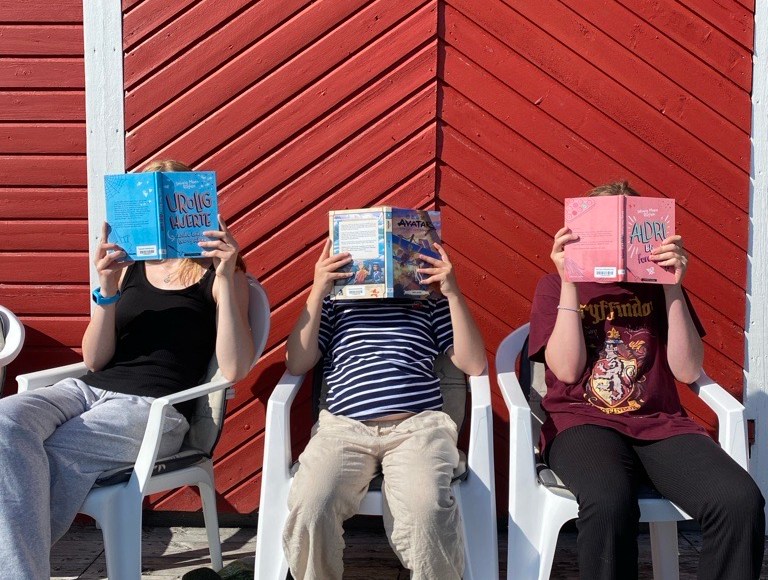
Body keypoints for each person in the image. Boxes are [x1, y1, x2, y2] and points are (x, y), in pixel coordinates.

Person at [0, 159, 255, 580]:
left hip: (152, 408)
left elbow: (235, 366)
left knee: (54, 453)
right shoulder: (130, 268)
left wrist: (226, 278)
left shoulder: (217, 274)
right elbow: (95, 360)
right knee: (5, 421)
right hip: (87, 390)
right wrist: (107, 288)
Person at [529, 181, 765, 580]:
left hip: (659, 424)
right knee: (608, 501)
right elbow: (567, 371)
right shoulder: (554, 286)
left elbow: (687, 371)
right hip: (582, 422)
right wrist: (570, 280)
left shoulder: (658, 285)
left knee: (738, 500)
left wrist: (673, 287)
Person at [282, 237, 486, 580]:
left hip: (417, 429)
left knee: (425, 510)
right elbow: (297, 363)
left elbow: (474, 363)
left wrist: (452, 293)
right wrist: (318, 290)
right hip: (344, 428)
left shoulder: (427, 302)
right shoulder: (336, 303)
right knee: (312, 503)